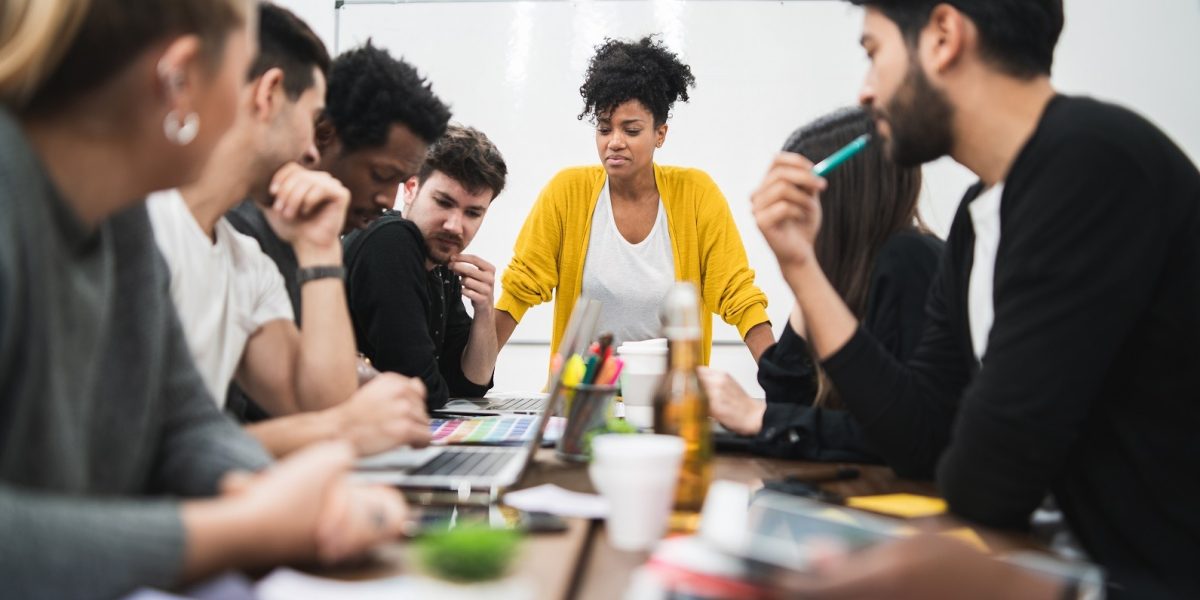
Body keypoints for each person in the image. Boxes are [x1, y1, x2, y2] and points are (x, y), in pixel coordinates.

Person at [751, 0, 1200, 595]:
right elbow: (921, 438)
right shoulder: (976, 218)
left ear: (943, 36)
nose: (865, 92)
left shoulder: (1092, 162)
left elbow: (987, 476)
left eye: (873, 53)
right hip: (1051, 565)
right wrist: (802, 268)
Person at [0, 1, 411, 597]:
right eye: (242, 70)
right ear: (179, 77)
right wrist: (242, 527)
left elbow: (184, 424)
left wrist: (309, 503)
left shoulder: (121, 218)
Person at [147, 2, 430, 457]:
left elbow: (317, 404)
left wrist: (320, 249)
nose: (311, 151)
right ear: (270, 94)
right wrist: (340, 430)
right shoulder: (142, 225)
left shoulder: (243, 260)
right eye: (312, 118)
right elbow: (142, 458)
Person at [496, 36, 773, 365]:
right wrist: (471, 377)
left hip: (669, 405)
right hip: (582, 402)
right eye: (603, 129)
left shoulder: (697, 195)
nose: (614, 142)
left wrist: (780, 378)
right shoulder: (566, 193)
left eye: (631, 130)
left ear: (660, 134)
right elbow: (520, 287)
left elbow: (737, 292)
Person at [700, 107, 942, 464]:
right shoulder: (840, 276)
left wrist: (757, 416)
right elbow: (787, 397)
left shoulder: (909, 258)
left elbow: (902, 431)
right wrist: (807, 273)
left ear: (838, 194)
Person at [225, 40, 451, 421]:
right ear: (324, 134)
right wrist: (343, 430)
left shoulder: (307, 239)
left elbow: (320, 396)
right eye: (380, 175)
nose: (387, 199)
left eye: (401, 181)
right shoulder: (242, 236)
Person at [344, 125, 507, 410]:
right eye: (443, 202)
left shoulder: (442, 263)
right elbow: (422, 390)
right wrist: (437, 384)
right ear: (410, 189)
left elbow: (471, 384)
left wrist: (484, 309)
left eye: (473, 212)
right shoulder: (392, 240)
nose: (455, 226)